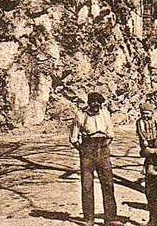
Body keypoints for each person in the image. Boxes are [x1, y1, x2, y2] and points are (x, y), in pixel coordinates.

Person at [70, 92, 120, 226]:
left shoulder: (105, 113)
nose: (96, 105)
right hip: (87, 150)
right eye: (93, 102)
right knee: (87, 185)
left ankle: (110, 218)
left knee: (108, 183)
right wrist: (83, 150)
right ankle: (89, 219)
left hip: (103, 149)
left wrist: (104, 147)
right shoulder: (81, 115)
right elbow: (73, 138)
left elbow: (111, 134)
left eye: (98, 102)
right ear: (89, 103)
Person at [136, 103, 157, 176]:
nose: (145, 116)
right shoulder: (141, 121)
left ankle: (146, 168)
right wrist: (144, 140)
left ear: (152, 113)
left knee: (153, 153)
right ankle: (149, 168)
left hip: (153, 139)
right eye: (143, 114)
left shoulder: (153, 121)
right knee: (149, 154)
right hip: (146, 140)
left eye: (147, 114)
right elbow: (140, 131)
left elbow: (155, 129)